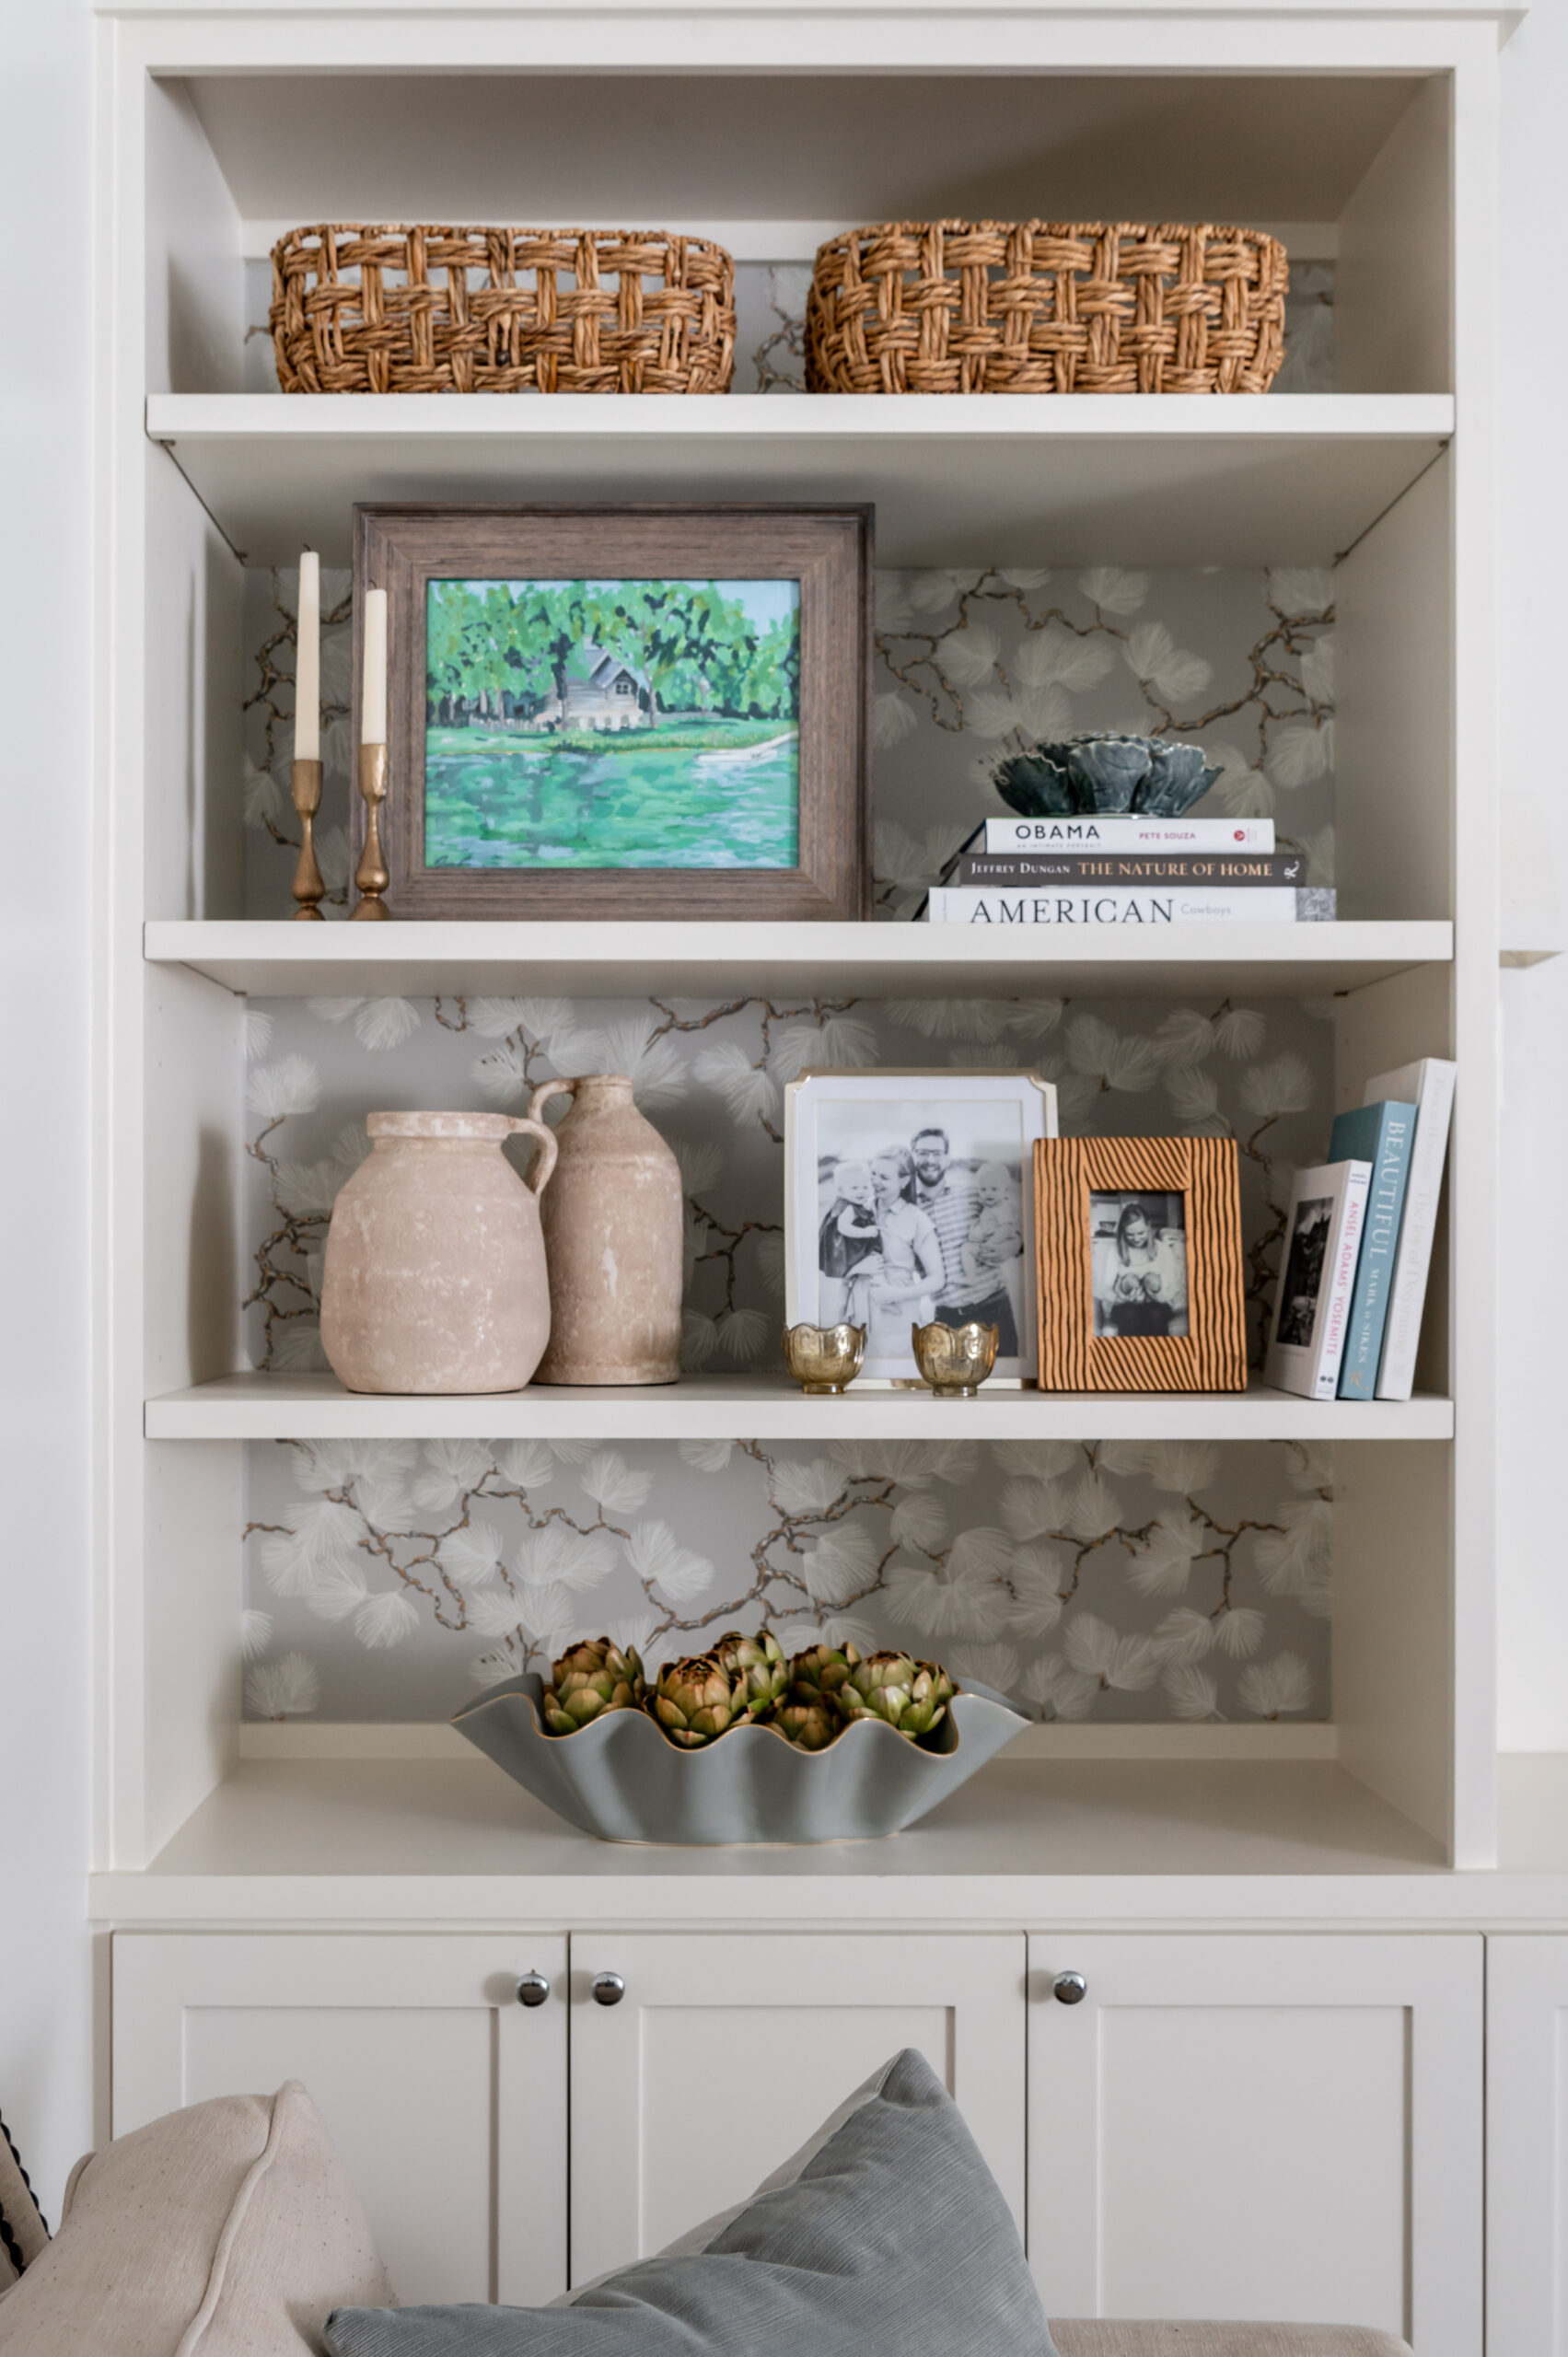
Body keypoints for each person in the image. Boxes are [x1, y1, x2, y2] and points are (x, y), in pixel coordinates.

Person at [912, 1126, 1019, 1354]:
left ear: (947, 1158)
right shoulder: (906, 1209)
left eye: (937, 1153)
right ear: (913, 1155)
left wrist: (1016, 1243)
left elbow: (1010, 1224)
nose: (930, 1159)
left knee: (1005, 1384)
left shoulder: (974, 1193)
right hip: (946, 1319)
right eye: (922, 1152)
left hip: (994, 1308)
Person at [860, 1148, 942, 1358]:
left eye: (884, 1177)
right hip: (859, 1317)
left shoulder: (917, 1219)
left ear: (904, 1181)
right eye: (873, 1174)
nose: (875, 1181)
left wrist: (895, 1294)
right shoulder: (860, 1210)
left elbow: (937, 1279)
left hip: (897, 1321)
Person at [1091, 1198, 1189, 1338]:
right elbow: (1105, 1288)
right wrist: (1125, 1297)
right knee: (1130, 1315)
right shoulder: (1115, 1251)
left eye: (1141, 1233)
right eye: (1130, 1234)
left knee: (1154, 1315)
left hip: (1158, 1304)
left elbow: (1172, 1288)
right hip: (1124, 1306)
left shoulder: (1162, 1249)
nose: (1136, 1239)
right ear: (1123, 1232)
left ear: (1148, 1227)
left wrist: (1155, 1292)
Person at [961, 1160, 1026, 1341]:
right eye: (983, 1190)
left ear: (1005, 1190)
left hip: (993, 1249)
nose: (987, 1194)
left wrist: (994, 1243)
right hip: (985, 1248)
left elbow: (1007, 1229)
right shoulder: (989, 1205)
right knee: (967, 1249)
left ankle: (972, 1276)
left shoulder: (1005, 1207)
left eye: (994, 1189)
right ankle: (971, 1276)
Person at [816, 1159, 882, 1325]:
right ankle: (843, 1314)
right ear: (840, 1190)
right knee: (848, 1280)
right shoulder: (848, 1208)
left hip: (851, 1245)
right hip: (846, 1248)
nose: (861, 1191)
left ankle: (845, 1311)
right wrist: (864, 1232)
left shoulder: (856, 1203)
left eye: (865, 1187)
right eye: (854, 1188)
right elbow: (843, 1227)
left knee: (849, 1283)